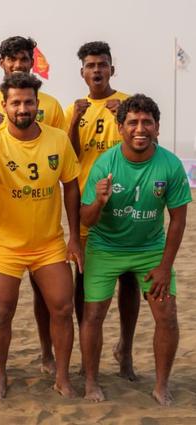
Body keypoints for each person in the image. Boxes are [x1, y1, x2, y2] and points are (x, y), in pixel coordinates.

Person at [0, 72, 81, 399]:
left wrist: (74, 237)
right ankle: (0, 375)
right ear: (4, 105)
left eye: (29, 102)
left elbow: (70, 185)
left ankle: (62, 377)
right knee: (2, 312)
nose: (23, 108)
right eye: (16, 102)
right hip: (5, 246)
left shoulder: (57, 139)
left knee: (62, 308)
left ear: (37, 105)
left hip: (48, 243)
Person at [79, 94, 191, 406]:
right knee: (94, 314)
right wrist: (99, 201)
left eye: (147, 123)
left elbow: (179, 220)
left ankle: (161, 385)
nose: (139, 129)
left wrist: (165, 267)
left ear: (157, 128)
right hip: (105, 246)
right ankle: (90, 382)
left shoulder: (169, 165)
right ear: (120, 128)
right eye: (133, 123)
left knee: (167, 314)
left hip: (150, 248)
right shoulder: (106, 164)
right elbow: (85, 219)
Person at [0, 36, 66, 376]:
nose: (18, 64)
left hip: (45, 233)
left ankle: (46, 354)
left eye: (24, 58)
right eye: (11, 59)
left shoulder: (52, 106)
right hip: (5, 232)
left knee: (49, 299)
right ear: (2, 64)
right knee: (0, 307)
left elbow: (57, 156)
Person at [64, 41, 139, 380]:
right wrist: (76, 119)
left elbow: (142, 142)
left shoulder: (124, 104)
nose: (97, 70)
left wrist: (118, 116)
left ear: (112, 69)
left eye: (103, 65)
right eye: (91, 65)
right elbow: (69, 155)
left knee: (128, 279)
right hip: (87, 204)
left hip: (124, 203)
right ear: (82, 72)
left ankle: (124, 348)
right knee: (85, 284)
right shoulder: (73, 109)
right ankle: (87, 353)